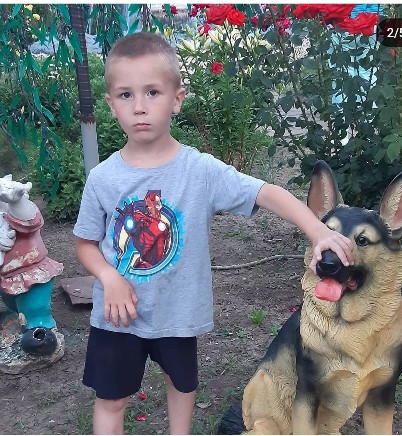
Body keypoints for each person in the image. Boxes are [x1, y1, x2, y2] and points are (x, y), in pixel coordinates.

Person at [73, 32, 354, 435]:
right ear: (110, 104)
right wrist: (108, 275)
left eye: (152, 92)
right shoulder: (103, 178)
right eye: (125, 95)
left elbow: (264, 191)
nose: (139, 106)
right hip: (118, 316)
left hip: (178, 312)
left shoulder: (199, 170)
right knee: (112, 399)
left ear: (177, 99)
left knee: (181, 386)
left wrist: (316, 230)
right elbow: (85, 245)